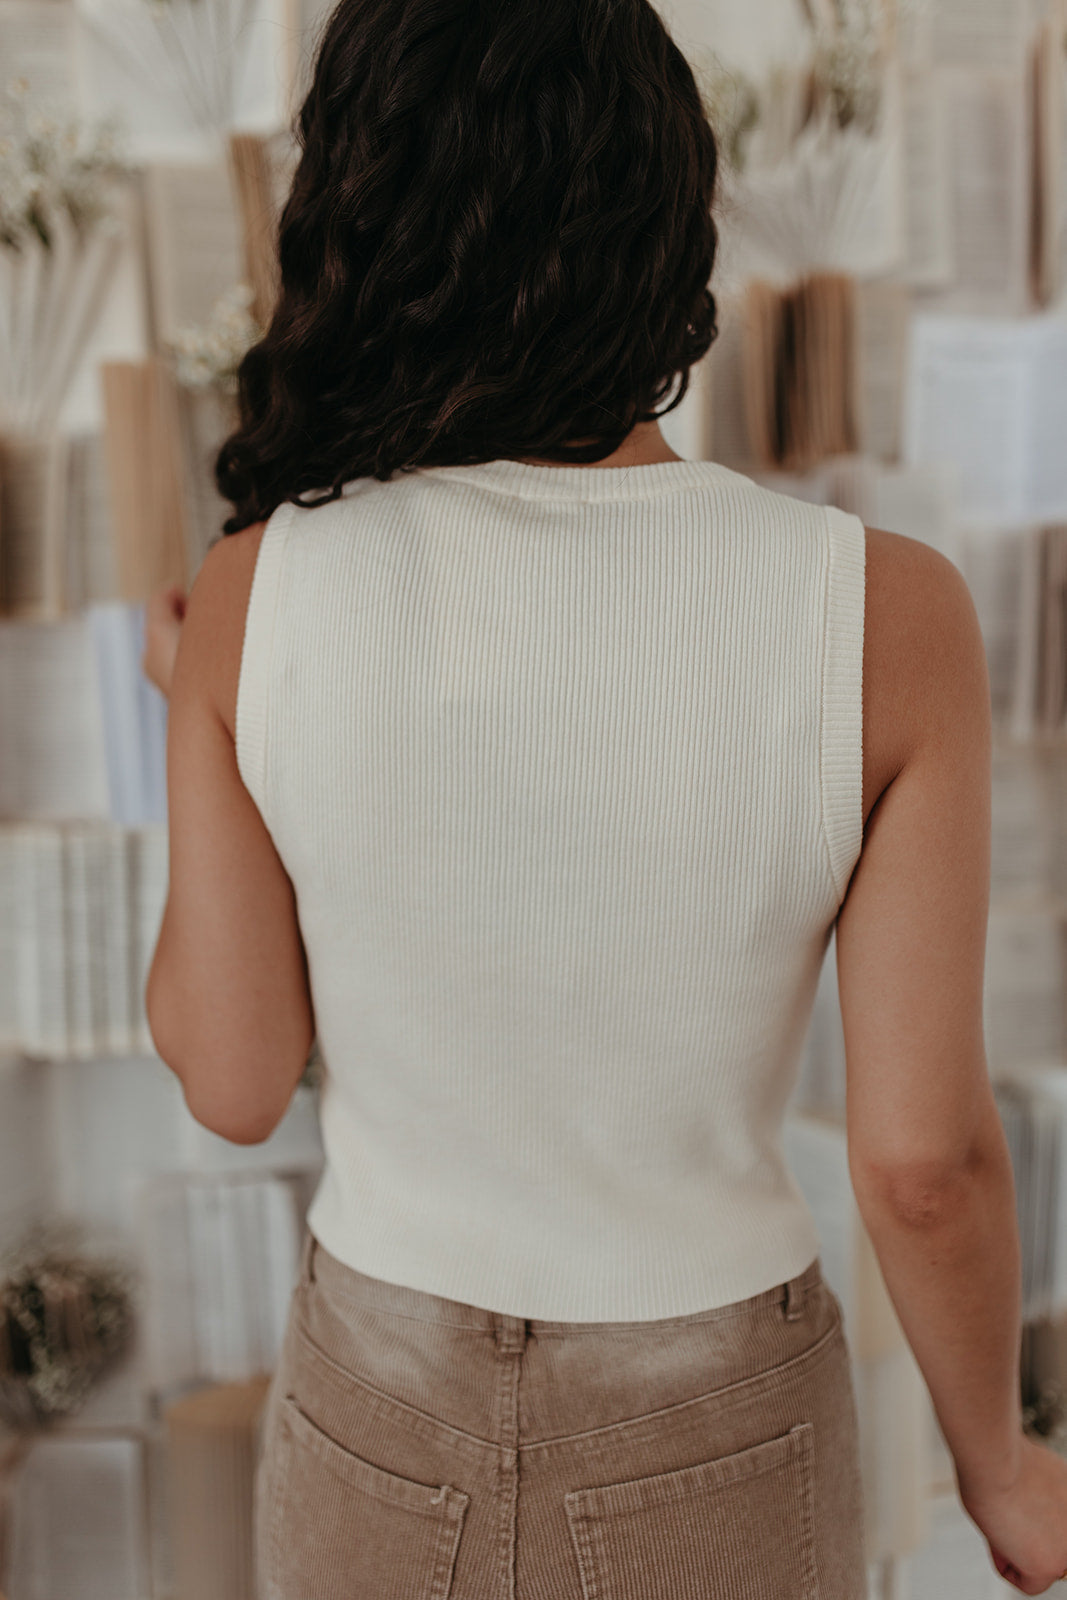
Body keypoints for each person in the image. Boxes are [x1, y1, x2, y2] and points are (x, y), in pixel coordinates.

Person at [140, 0, 1067, 1594]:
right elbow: (923, 1161)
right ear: (669, 215)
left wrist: (198, 709)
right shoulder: (885, 613)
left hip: (381, 1399)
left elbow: (231, 1076)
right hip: (715, 1420)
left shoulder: (255, 592)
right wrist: (1001, 1460)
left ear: (356, 211)